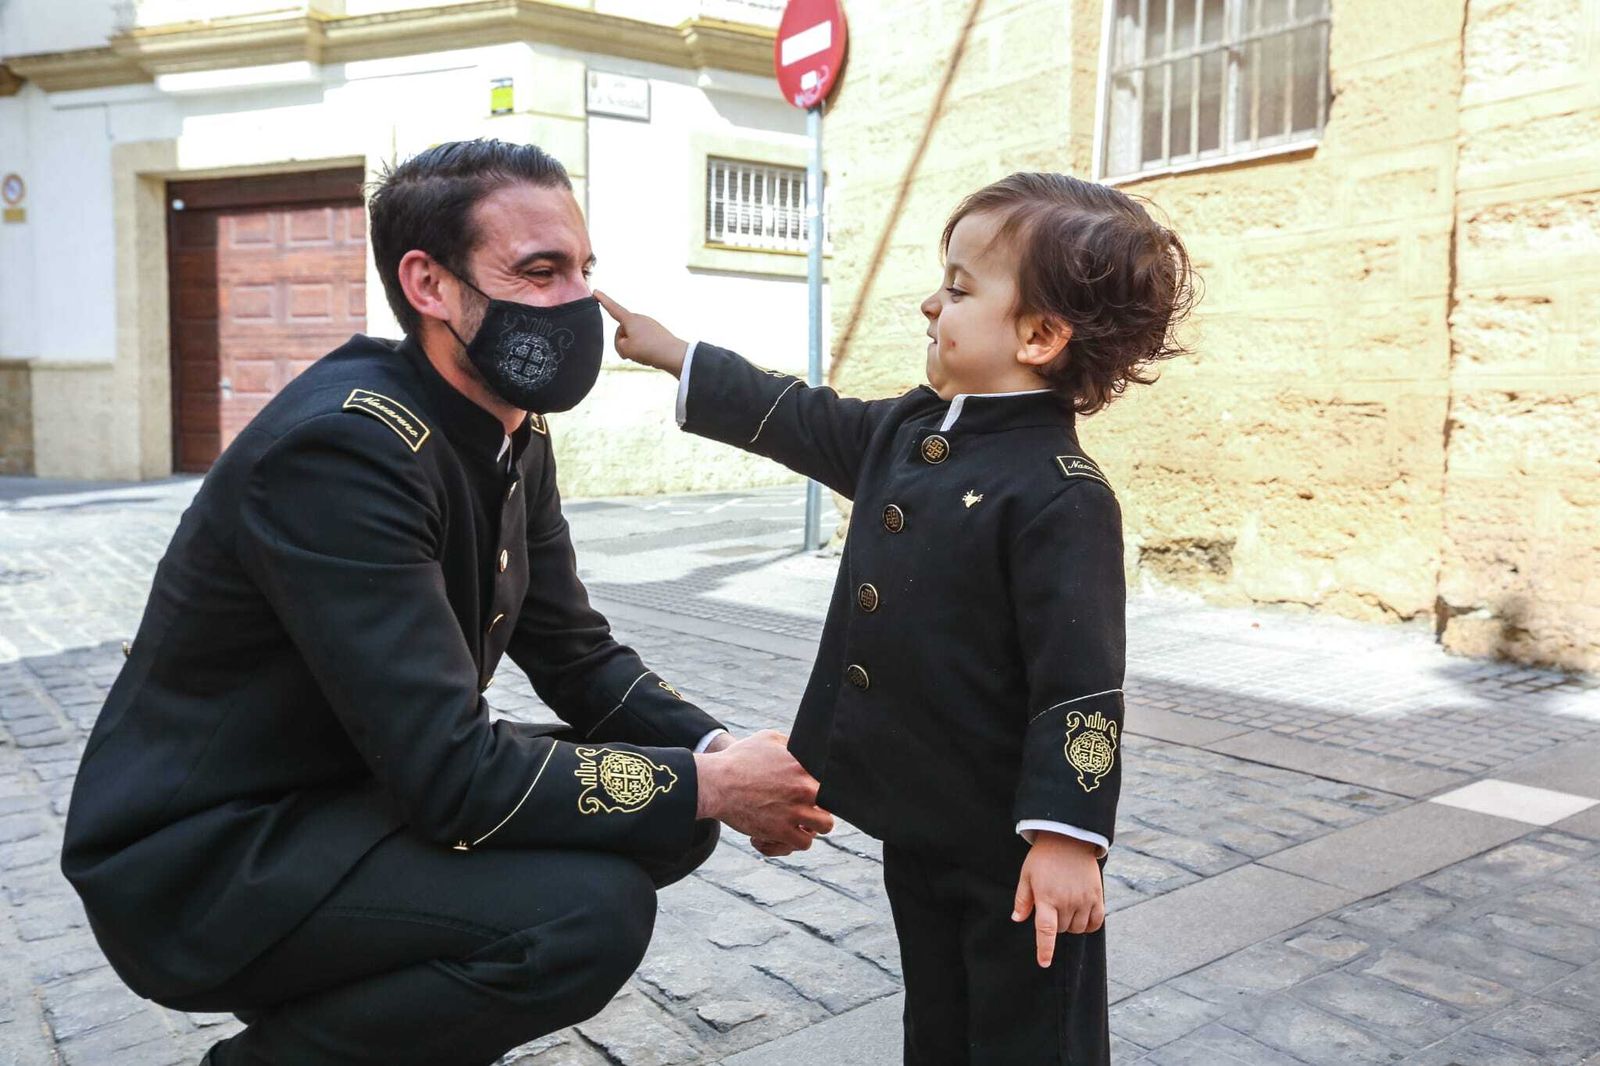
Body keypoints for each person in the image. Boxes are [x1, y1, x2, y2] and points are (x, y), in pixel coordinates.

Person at [60, 139, 833, 1066]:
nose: (579, 301)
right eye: (539, 272)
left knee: (668, 816)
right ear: (429, 284)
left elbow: (577, 654)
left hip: (351, 796)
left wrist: (722, 754)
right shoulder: (344, 451)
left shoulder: (506, 429)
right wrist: (712, 788)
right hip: (214, 861)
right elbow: (452, 774)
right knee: (586, 917)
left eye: (584, 270)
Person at [596, 172, 1195, 1065]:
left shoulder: (1060, 495)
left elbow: (1080, 687)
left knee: (1032, 1034)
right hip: (921, 821)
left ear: (1039, 335)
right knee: (938, 1020)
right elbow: (795, 415)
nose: (930, 302)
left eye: (958, 289)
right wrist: (679, 354)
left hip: (1014, 846)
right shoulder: (910, 430)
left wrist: (1067, 838)